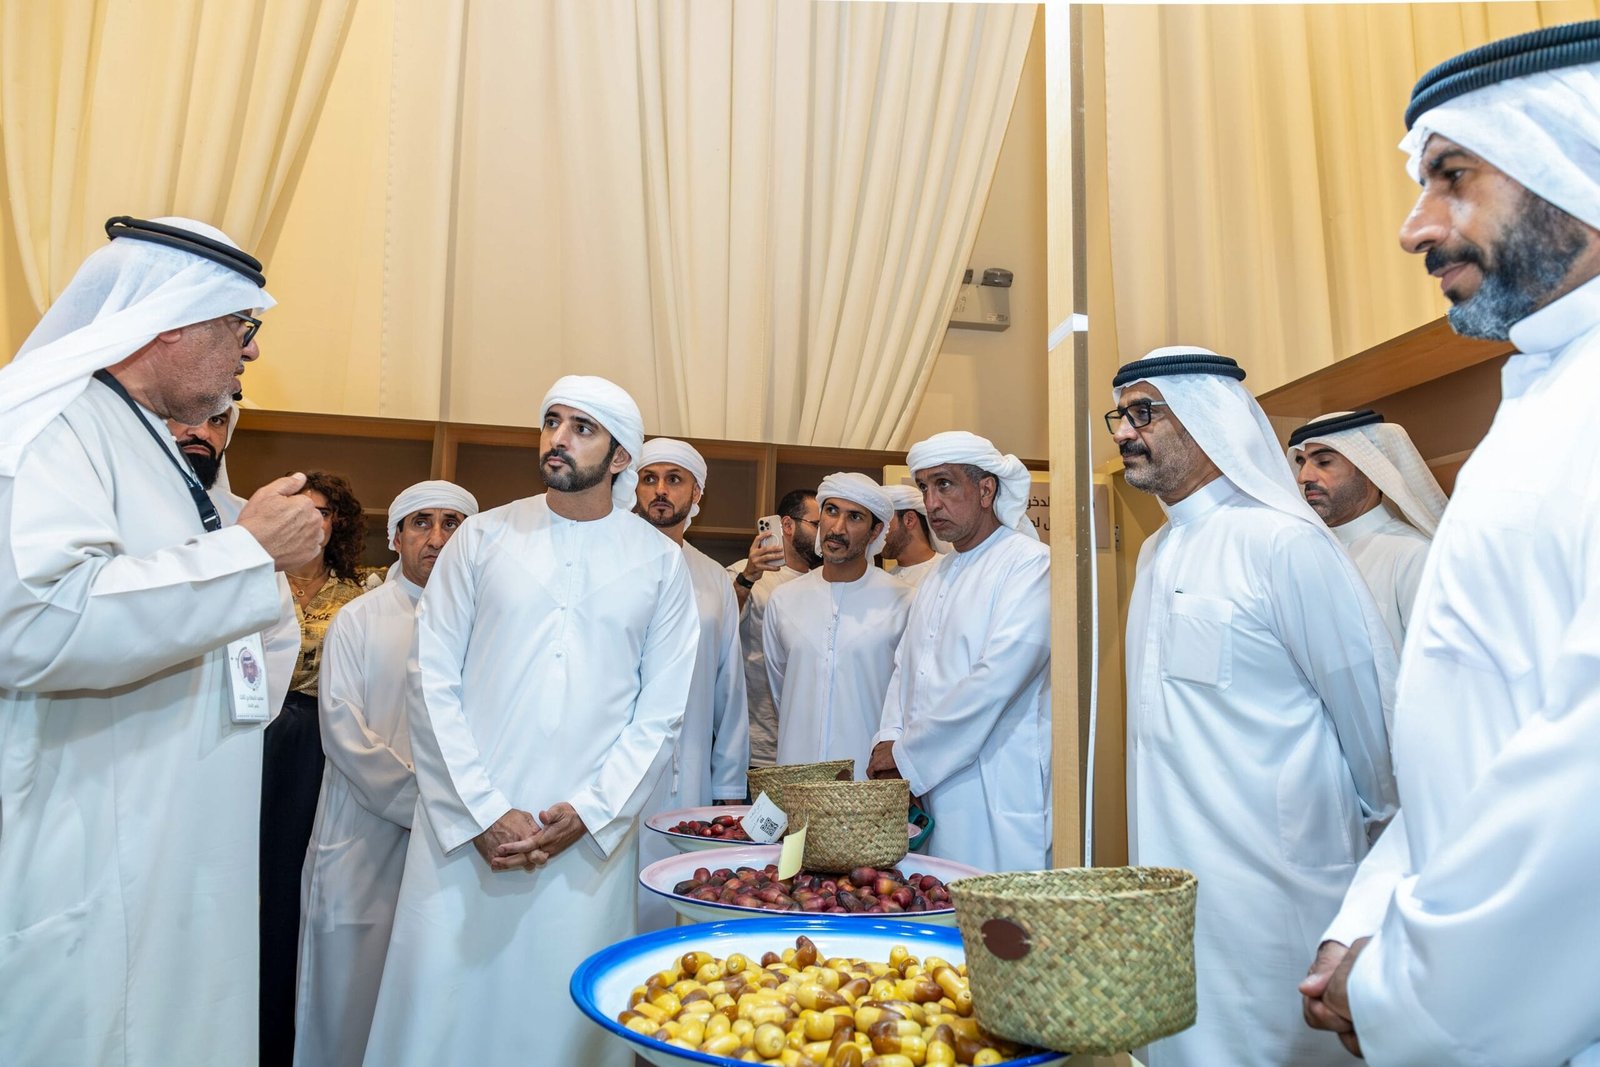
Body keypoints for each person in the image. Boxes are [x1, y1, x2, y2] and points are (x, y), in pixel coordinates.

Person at [1302, 24, 1600, 1065]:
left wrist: (1405, 981)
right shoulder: (1550, 394)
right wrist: (1375, 908)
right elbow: (1468, 732)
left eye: (1451, 177)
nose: (1413, 226)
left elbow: (1584, 780)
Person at [0, 216, 322, 1064]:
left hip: (182, 835)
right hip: (93, 845)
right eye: (238, 328)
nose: (248, 354)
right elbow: (34, 623)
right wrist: (251, 555)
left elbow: (231, 633)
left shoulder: (154, 445)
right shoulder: (48, 429)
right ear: (170, 321)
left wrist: (252, 567)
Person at [363, 375, 698, 1066]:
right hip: (465, 830)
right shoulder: (482, 538)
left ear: (619, 457)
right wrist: (482, 809)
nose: (558, 438)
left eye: (582, 427)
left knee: (557, 1016)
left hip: (578, 841)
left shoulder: (661, 565)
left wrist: (590, 810)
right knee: (442, 1012)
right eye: (552, 420)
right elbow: (431, 680)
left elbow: (660, 713)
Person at [1108, 348, 1398, 1067]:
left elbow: (1377, 736)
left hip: (1278, 890)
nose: (1122, 432)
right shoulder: (1158, 553)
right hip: (1172, 886)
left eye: (1144, 413)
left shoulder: (1285, 542)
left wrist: (1376, 880)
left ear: (1210, 421)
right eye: (1119, 415)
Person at [295, 479, 479, 1066]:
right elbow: (343, 732)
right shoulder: (359, 618)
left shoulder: (489, 623)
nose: (436, 537)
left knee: (437, 989)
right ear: (396, 537)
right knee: (348, 991)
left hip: (458, 838)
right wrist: (424, 803)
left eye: (453, 523)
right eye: (421, 522)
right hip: (364, 832)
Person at [867, 432, 1051, 872]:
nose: (931, 503)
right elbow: (904, 670)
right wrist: (889, 741)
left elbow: (995, 680)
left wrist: (906, 757)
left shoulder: (1031, 563)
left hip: (994, 789)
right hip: (925, 784)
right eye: (925, 487)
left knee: (996, 925)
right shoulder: (938, 574)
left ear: (986, 490)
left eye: (945, 484)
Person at [261, 469, 368, 1064]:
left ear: (338, 525)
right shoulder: (249, 581)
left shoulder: (361, 595)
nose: (309, 519)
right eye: (298, 508)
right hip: (250, 740)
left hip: (323, 747)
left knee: (298, 888)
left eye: (322, 511)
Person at [633, 438, 750, 930]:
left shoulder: (712, 578)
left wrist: (727, 784)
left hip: (692, 773)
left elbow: (730, 687)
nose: (660, 490)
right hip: (620, 771)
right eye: (650, 478)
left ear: (696, 493)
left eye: (674, 480)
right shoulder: (614, 560)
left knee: (681, 890)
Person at [765, 473, 913, 779]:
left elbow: (909, 700)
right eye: (831, 511)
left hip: (868, 782)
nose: (837, 527)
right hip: (795, 776)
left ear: (875, 532)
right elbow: (781, 689)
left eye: (855, 517)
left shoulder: (905, 602)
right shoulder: (784, 600)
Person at [170, 401, 301, 719]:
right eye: (187, 415)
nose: (201, 432)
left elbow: (277, 633)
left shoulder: (250, 517)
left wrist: (239, 723)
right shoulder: (121, 507)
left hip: (227, 727)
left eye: (216, 420)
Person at [1287, 410, 1446, 648]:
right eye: (1301, 462)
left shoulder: (1414, 555)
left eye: (1324, 462)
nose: (1303, 476)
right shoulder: (1303, 554)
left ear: (1370, 469)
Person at [727, 488, 820, 768]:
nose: (826, 532)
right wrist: (748, 579)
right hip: (755, 750)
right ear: (787, 526)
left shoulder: (824, 582)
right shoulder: (745, 573)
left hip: (808, 750)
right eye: (817, 524)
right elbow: (718, 631)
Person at [880, 482, 944, 587]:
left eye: (883, 523)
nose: (876, 533)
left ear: (909, 520)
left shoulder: (946, 572)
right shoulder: (885, 581)